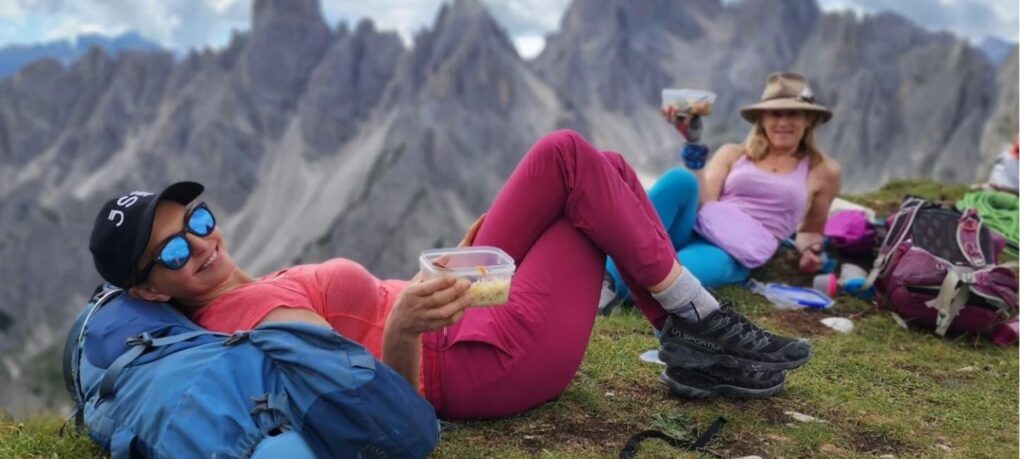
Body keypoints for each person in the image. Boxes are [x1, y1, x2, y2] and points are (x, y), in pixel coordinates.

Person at [88, 130, 811, 421]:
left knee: (601, 168)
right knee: (578, 172)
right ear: (151, 288)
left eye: (197, 222)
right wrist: (404, 321)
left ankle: (691, 337)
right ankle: (699, 321)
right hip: (478, 360)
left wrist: (418, 282)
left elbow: (358, 315)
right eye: (174, 252)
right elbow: (379, 408)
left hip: (460, 303)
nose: (200, 245)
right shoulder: (243, 320)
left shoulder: (245, 289)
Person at [603, 72, 843, 308]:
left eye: (793, 114)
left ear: (809, 120)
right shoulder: (734, 153)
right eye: (775, 114)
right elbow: (705, 200)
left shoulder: (823, 171)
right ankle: (605, 279)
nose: (782, 122)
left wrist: (811, 250)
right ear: (762, 119)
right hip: (696, 226)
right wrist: (693, 142)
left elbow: (811, 230)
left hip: (731, 252)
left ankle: (612, 287)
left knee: (665, 281)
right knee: (681, 178)